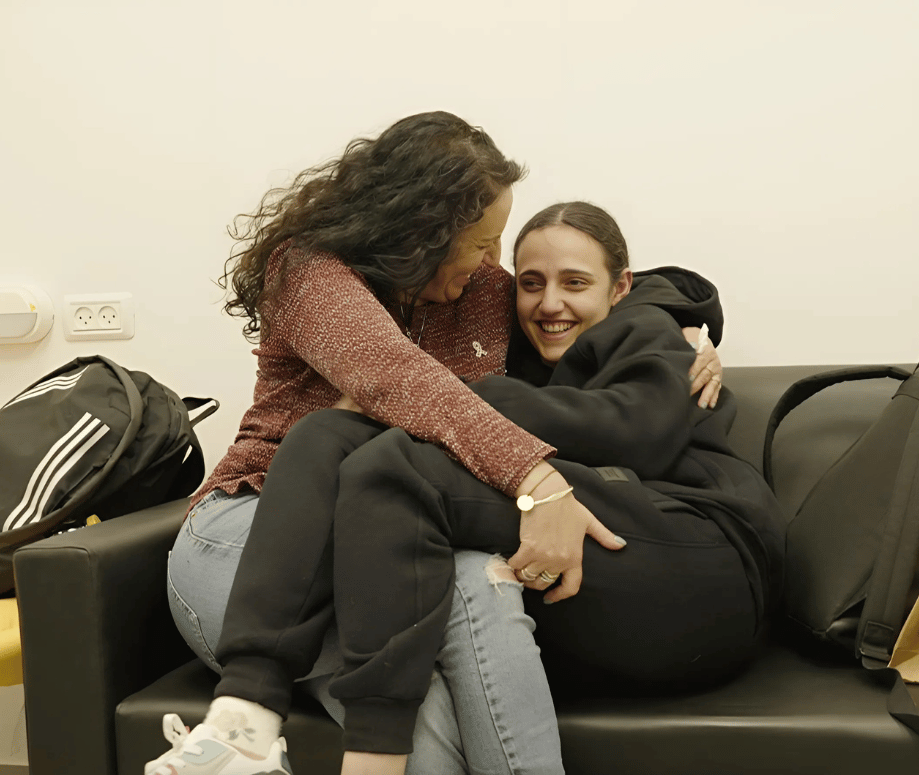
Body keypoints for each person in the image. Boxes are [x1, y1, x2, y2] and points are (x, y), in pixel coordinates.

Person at [150, 113, 723, 775]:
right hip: (258, 528)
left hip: (389, 529)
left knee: (482, 579)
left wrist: (677, 322)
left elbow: (580, 287)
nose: (492, 262)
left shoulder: (476, 289)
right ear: (421, 234)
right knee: (421, 719)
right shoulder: (308, 270)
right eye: (481, 243)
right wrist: (536, 479)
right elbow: (396, 379)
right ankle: (240, 735)